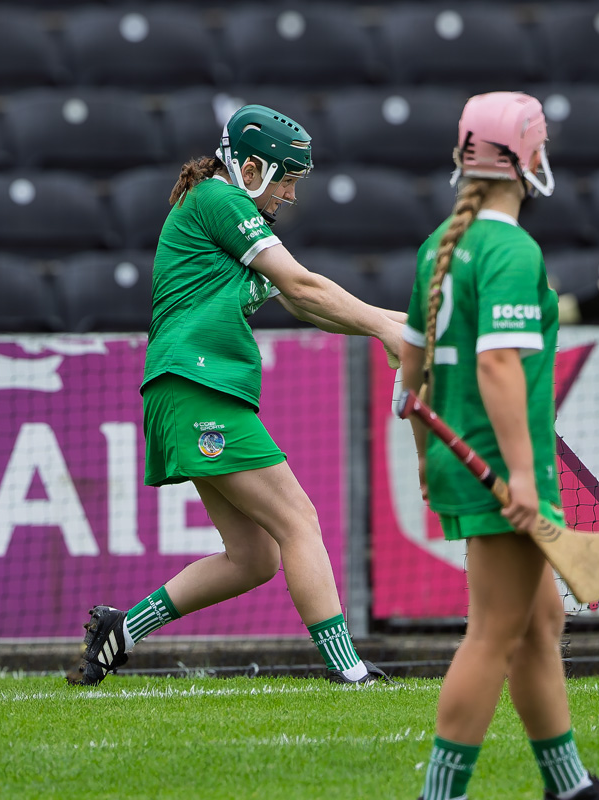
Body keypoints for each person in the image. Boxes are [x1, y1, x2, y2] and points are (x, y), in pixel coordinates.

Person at [66, 104, 404, 687]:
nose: (291, 196)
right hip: (198, 386)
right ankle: (349, 671)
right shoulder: (221, 200)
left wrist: (399, 325)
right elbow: (304, 286)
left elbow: (305, 304)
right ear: (250, 169)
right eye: (287, 180)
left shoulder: (223, 208)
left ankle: (119, 631)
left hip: (188, 389)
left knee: (254, 558)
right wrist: (386, 329)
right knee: (299, 520)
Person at [399, 91, 599, 800]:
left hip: (461, 459)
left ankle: (570, 787)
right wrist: (520, 474)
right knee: (494, 634)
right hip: (502, 465)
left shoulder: (438, 246)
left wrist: (424, 456)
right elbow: (496, 365)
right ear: (525, 157)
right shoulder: (511, 248)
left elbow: (410, 371)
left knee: (540, 621)